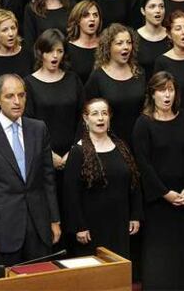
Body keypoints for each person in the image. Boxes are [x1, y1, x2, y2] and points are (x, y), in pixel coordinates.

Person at [0, 74, 61, 266]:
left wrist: (54, 219)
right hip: (2, 229)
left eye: (21, 95)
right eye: (10, 96)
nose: (17, 102)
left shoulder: (38, 129)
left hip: (39, 225)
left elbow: (47, 179)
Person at [133, 71, 184, 290]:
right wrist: (164, 193)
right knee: (159, 255)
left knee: (181, 253)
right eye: (162, 90)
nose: (167, 95)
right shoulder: (144, 123)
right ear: (152, 93)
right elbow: (143, 165)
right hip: (158, 201)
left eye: (170, 90)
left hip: (183, 198)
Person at [63, 98, 142, 258]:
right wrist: (79, 226)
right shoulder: (78, 152)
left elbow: (134, 183)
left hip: (119, 224)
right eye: (95, 114)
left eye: (104, 113)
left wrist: (135, 215)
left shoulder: (121, 147)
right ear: (86, 118)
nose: (100, 118)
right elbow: (70, 194)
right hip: (91, 229)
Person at [24, 28, 83, 172]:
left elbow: (83, 117)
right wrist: (48, 154)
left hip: (74, 156)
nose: (55, 56)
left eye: (60, 51)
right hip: (41, 158)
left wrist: (74, 150)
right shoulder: (29, 84)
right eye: (50, 51)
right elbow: (27, 123)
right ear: (40, 52)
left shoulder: (73, 79)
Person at [85, 23, 146, 147]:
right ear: (108, 47)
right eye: (119, 43)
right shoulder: (98, 77)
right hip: (110, 143)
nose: (126, 47)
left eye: (129, 42)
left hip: (139, 141)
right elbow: (87, 113)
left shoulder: (139, 73)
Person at [136, 0, 170, 82]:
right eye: (152, 6)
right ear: (143, 11)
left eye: (161, 6)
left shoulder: (171, 36)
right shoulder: (134, 38)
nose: (158, 10)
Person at [67, 0, 101, 84]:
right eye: (86, 15)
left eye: (95, 15)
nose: (92, 19)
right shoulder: (68, 49)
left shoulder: (106, 47)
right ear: (77, 20)